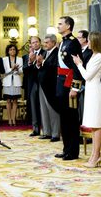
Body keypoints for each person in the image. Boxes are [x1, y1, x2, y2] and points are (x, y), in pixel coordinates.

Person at [72, 31, 101, 167]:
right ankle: (93, 155)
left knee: (96, 126)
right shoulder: (94, 55)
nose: (89, 42)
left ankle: (96, 156)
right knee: (93, 126)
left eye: (91, 40)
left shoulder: (99, 57)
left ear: (95, 41)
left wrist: (79, 64)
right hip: (90, 91)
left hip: (95, 91)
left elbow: (87, 76)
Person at [55, 16, 83, 160]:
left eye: (60, 24)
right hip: (61, 82)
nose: (58, 26)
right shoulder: (63, 42)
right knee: (64, 118)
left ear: (68, 26)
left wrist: (75, 88)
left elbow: (77, 67)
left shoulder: (73, 43)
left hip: (70, 84)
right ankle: (66, 149)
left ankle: (73, 152)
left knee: (71, 119)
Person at [36, 34, 60, 142]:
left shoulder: (57, 53)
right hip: (42, 84)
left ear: (54, 43)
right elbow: (41, 67)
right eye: (44, 42)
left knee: (52, 109)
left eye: (47, 42)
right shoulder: (45, 53)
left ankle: (55, 134)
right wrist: (38, 63)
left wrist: (43, 62)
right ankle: (47, 132)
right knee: (44, 109)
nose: (44, 44)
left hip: (51, 85)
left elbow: (55, 67)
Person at [23, 36, 45, 136]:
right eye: (33, 42)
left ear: (40, 43)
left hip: (44, 83)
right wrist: (30, 62)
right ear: (30, 44)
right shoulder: (27, 56)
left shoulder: (45, 53)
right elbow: (25, 71)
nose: (35, 44)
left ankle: (46, 129)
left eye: (37, 42)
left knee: (44, 106)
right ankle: (35, 129)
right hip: (32, 84)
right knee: (33, 107)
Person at [2, 44, 23, 126]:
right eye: (10, 49)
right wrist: (12, 68)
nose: (12, 51)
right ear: (8, 51)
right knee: (8, 101)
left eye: (14, 49)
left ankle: (14, 119)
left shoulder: (20, 59)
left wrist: (17, 69)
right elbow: (4, 71)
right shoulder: (4, 59)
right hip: (7, 82)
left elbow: (21, 71)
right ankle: (9, 119)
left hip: (16, 82)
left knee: (15, 101)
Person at [77, 30, 93, 124]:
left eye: (79, 37)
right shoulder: (78, 51)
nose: (77, 39)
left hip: (85, 83)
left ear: (85, 39)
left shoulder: (90, 52)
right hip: (77, 83)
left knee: (84, 109)